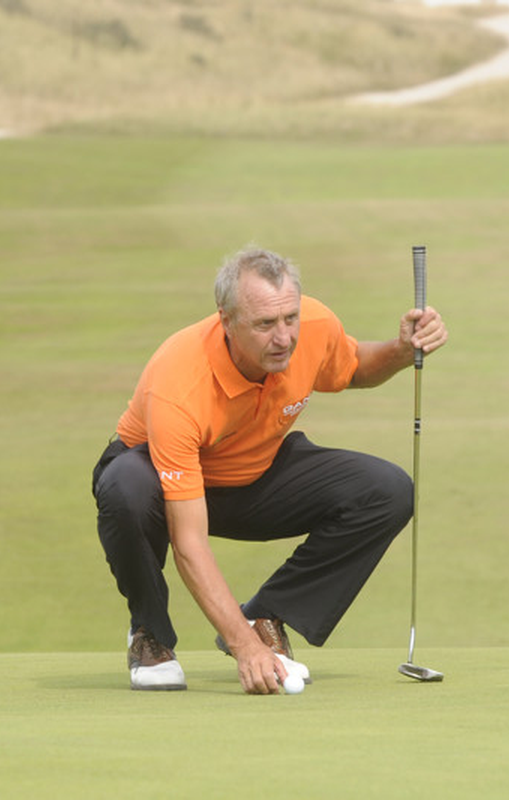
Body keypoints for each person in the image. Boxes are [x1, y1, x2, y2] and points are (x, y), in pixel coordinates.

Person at [92, 246, 447, 694]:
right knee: (125, 487)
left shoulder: (313, 325)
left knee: (386, 490)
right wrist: (245, 650)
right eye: (264, 325)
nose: (283, 338)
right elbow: (188, 543)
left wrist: (401, 349)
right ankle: (150, 635)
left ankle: (266, 615)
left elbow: (354, 367)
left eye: (289, 319)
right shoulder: (179, 382)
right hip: (159, 481)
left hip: (255, 471)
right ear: (226, 319)